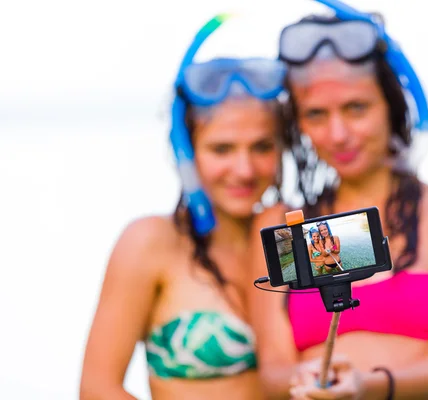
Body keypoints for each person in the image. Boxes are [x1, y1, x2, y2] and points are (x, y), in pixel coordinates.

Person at [248, 3, 428, 400]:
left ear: (392, 106)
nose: (338, 133)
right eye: (316, 114)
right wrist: (314, 381)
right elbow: (274, 370)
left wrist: (365, 386)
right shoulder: (281, 222)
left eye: (356, 108)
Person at [80, 14, 287, 400]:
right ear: (185, 153)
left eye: (262, 147)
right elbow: (97, 388)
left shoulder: (291, 235)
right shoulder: (150, 242)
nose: (244, 169)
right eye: (222, 149)